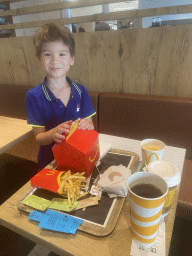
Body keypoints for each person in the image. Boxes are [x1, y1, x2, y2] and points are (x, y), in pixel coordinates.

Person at [26, 23, 96, 170]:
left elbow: (90, 126)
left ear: (72, 59)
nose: (55, 60)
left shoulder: (81, 91)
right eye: (47, 54)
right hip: (50, 164)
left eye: (62, 54)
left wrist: (86, 126)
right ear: (39, 60)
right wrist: (52, 133)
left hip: (80, 159)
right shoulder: (33, 96)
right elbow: (39, 138)